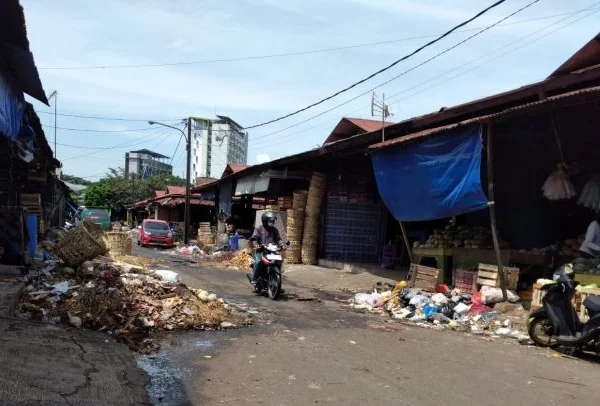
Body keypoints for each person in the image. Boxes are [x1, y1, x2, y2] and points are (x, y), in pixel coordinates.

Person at [247, 211, 284, 283]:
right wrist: (256, 244)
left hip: (272, 251)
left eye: (272, 221)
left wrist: (282, 244)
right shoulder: (259, 228)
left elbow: (278, 239)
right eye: (270, 221)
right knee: (259, 262)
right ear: (265, 221)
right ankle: (254, 278)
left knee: (279, 261)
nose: (272, 223)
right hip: (261, 251)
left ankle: (276, 281)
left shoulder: (274, 230)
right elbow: (254, 238)